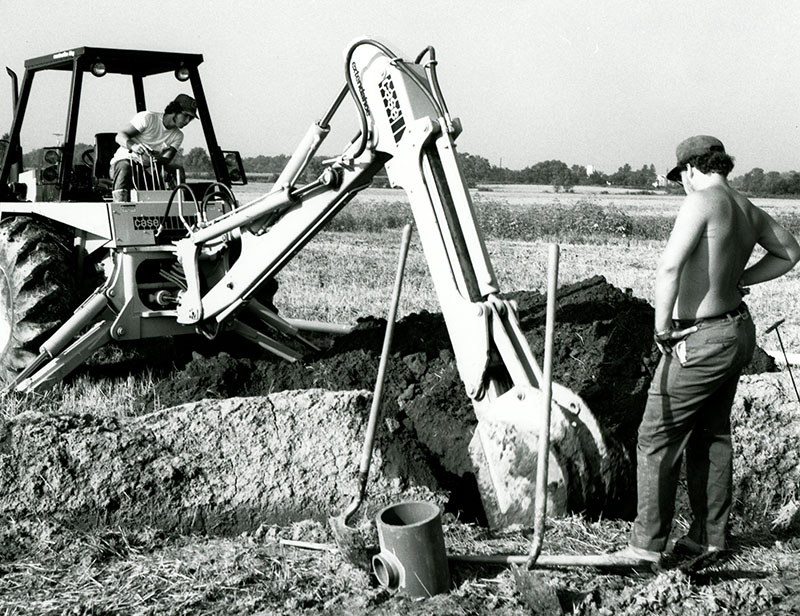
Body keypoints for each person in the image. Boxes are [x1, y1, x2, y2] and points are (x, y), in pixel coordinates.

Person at [617, 135, 800, 567]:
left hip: (700, 338)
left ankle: (645, 546)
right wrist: (742, 278)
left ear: (691, 169)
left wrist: (661, 328)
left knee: (656, 435)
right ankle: (709, 538)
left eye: (681, 176)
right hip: (736, 331)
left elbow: (670, 266)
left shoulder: (701, 200)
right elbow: (790, 252)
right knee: (712, 435)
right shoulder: (745, 206)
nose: (682, 183)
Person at [110, 93, 197, 202]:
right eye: (185, 116)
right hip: (122, 165)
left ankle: (178, 205)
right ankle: (120, 206)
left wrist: (158, 158)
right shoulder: (148, 118)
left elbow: (167, 159)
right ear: (175, 110)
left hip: (146, 168)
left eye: (191, 118)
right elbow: (120, 136)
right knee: (125, 167)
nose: (187, 121)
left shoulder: (178, 135)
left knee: (177, 170)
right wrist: (134, 146)